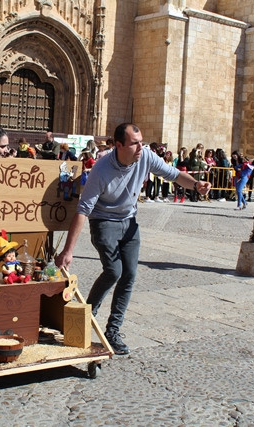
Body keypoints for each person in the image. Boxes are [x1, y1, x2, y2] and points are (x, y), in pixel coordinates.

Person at [54, 123, 211, 355]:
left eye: (142, 141)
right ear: (118, 145)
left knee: (129, 275)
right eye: (134, 143)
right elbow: (83, 209)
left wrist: (196, 185)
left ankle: (113, 330)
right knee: (114, 271)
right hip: (103, 221)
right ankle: (88, 315)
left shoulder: (146, 156)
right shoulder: (101, 169)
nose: (140, 147)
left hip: (129, 221)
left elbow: (174, 175)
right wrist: (68, 250)